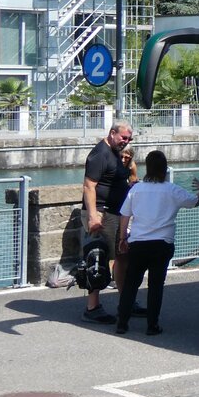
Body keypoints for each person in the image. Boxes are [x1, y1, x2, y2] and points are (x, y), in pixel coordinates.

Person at [115, 150, 199, 336]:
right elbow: (194, 202)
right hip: (162, 244)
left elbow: (125, 215)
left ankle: (122, 323)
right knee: (156, 286)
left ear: (147, 168)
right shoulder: (171, 190)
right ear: (164, 169)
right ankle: (152, 325)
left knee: (131, 283)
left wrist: (122, 238)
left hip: (138, 243)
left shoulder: (136, 189)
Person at [80, 121, 138, 324]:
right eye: (123, 137)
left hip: (114, 213)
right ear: (112, 133)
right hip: (103, 214)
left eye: (129, 139)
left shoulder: (114, 152)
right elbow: (89, 186)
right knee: (98, 259)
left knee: (123, 256)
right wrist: (93, 216)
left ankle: (126, 300)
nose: (126, 142)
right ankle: (92, 307)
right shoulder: (100, 154)